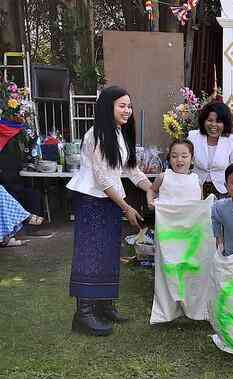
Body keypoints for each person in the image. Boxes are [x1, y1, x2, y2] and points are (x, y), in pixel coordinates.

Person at [66, 86, 155, 336]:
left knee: (107, 252)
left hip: (108, 202)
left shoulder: (119, 132)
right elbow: (104, 180)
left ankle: (104, 306)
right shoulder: (97, 135)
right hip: (92, 200)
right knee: (90, 254)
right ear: (108, 107)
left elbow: (131, 169)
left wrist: (151, 187)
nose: (127, 110)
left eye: (129, 105)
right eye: (121, 105)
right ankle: (83, 315)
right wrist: (127, 208)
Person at [187, 102, 233, 199]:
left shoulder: (231, 140)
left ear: (225, 123)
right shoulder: (193, 137)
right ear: (204, 121)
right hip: (195, 188)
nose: (213, 125)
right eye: (210, 120)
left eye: (218, 121)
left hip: (223, 190)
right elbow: (185, 162)